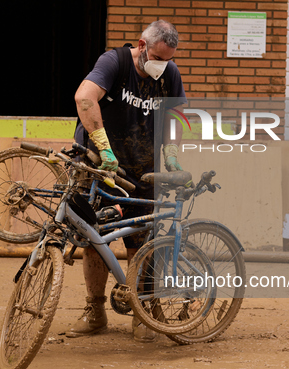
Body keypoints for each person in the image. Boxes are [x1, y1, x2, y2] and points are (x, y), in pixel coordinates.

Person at [67, 20, 187, 342]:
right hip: (102, 168)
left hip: (143, 170)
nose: (162, 66)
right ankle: (95, 311)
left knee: (142, 244)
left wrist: (171, 154)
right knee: (96, 241)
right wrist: (104, 150)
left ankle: (142, 313)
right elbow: (85, 98)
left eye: (168, 60)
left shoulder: (169, 74)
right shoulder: (115, 63)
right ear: (142, 44)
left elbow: (174, 116)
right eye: (158, 58)